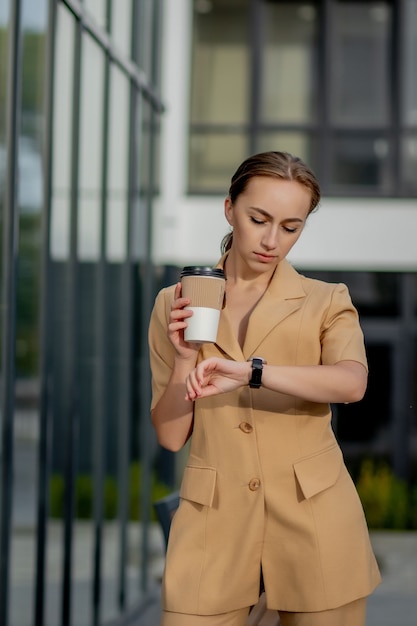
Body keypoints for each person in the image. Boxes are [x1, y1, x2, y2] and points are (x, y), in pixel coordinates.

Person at [148, 151, 381, 626]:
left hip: (314, 521)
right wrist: (186, 361)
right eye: (259, 219)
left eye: (291, 227)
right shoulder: (175, 302)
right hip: (212, 527)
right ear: (230, 207)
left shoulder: (326, 300)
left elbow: (351, 383)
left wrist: (252, 371)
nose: (272, 240)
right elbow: (172, 436)